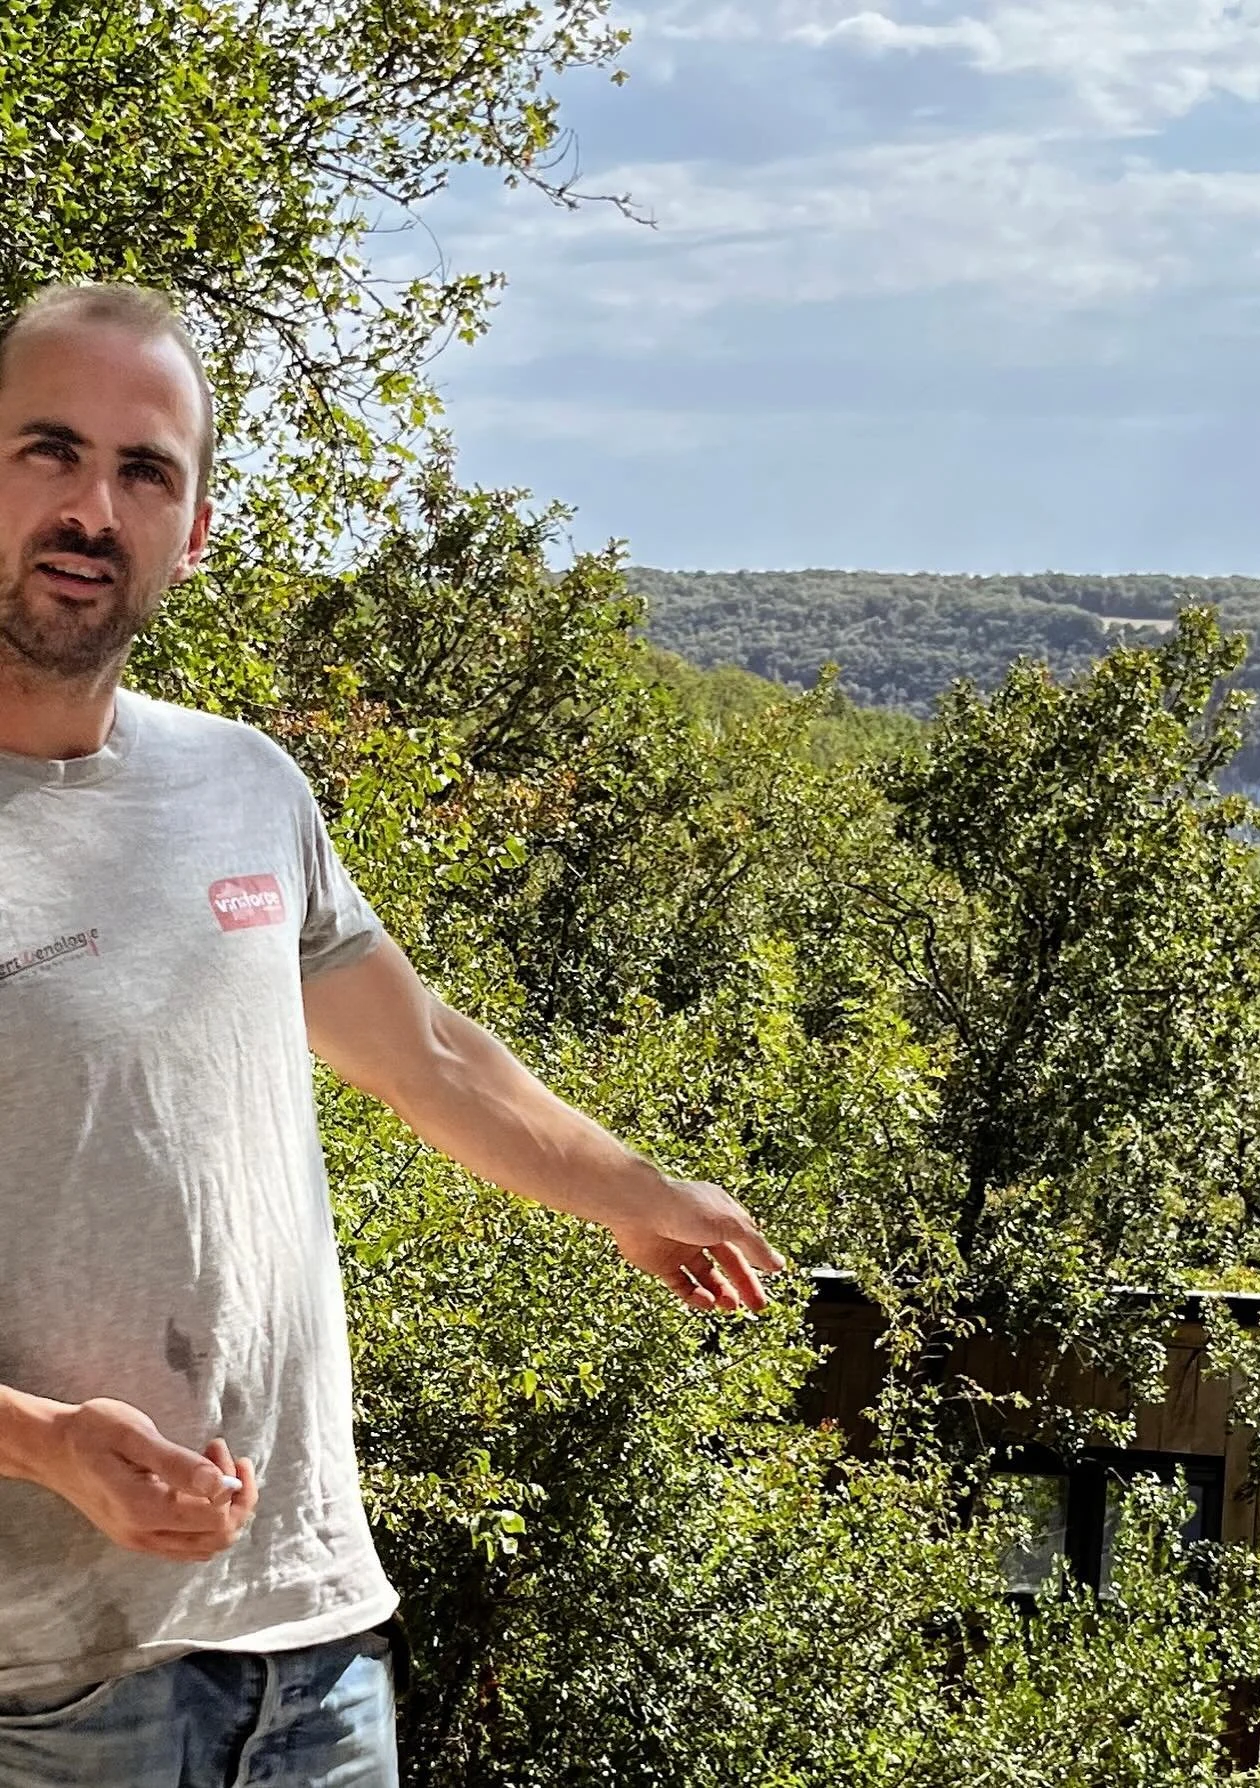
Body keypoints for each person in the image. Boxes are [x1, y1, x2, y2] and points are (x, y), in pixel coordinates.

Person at [0, 282, 785, 1787]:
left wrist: (632, 1190)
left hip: (316, 1656)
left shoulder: (245, 789)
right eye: (50, 451)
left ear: (194, 532)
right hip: (45, 1694)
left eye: (145, 470)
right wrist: (40, 1441)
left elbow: (419, 1049)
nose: (94, 507)